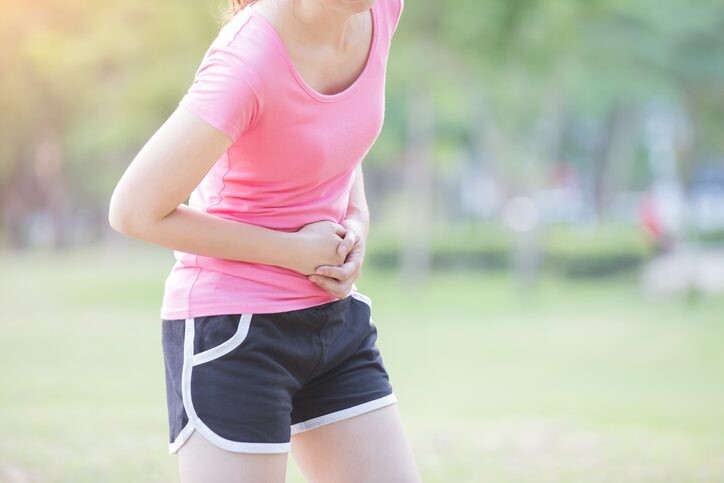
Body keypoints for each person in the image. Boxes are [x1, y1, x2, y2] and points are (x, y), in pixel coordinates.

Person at [108, 0, 422, 481]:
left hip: (333, 324)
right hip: (234, 332)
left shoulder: (381, 11)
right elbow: (133, 210)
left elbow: (335, 131)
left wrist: (356, 221)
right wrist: (295, 252)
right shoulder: (247, 60)